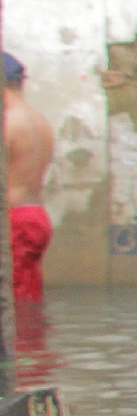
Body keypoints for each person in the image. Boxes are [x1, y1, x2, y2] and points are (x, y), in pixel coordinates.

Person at [4, 54, 51, 301]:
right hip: (35, 216)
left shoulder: (7, 122)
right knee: (27, 296)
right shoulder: (39, 120)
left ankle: (24, 342)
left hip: (13, 222)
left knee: (12, 303)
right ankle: (34, 341)